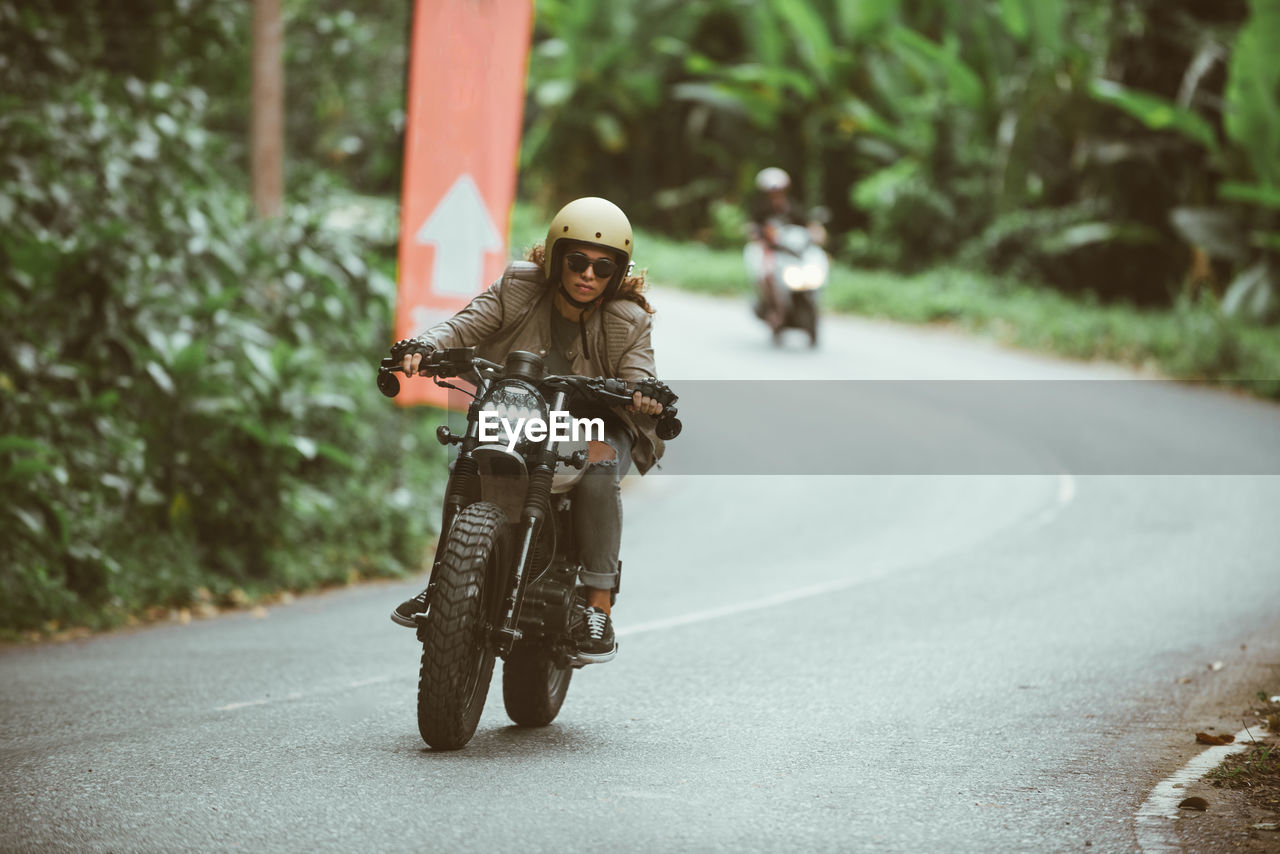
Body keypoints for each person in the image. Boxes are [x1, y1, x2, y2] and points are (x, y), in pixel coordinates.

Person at [388, 197, 665, 662]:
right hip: (520, 410)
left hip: (593, 421)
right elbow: (466, 323)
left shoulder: (628, 320)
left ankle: (598, 606)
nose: (587, 276)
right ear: (557, 257)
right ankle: (443, 582)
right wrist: (424, 344)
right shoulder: (519, 286)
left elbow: (640, 371)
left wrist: (646, 393)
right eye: (577, 261)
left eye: (602, 268)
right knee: (470, 458)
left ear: (616, 275)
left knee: (600, 469)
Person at [745, 167, 825, 332]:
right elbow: (752, 228)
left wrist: (817, 233)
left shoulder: (793, 207)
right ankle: (775, 310)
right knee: (766, 273)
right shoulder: (760, 208)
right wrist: (758, 237)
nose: (776, 193)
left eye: (779, 190)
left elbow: (808, 225)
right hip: (770, 250)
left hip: (793, 251)